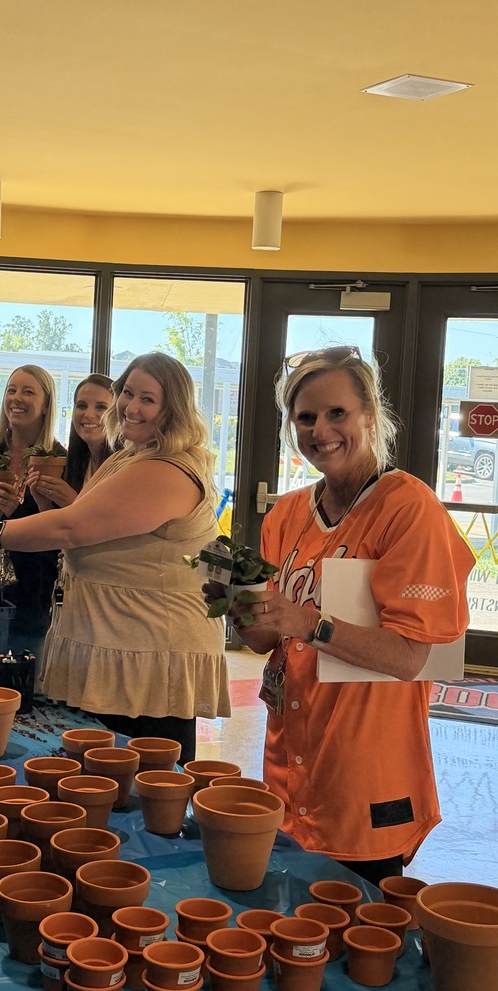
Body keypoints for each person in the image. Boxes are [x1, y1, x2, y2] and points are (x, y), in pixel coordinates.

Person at [208, 345, 473, 885]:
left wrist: (307, 621)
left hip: (366, 776)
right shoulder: (286, 514)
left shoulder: (408, 509)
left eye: (337, 413)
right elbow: (267, 642)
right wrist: (239, 608)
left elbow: (410, 656)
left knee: (358, 937)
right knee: (289, 925)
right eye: (305, 417)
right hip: (290, 763)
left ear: (370, 417)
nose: (320, 430)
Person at [0, 352, 230, 763]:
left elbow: (70, 529)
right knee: (97, 781)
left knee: (142, 785)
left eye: (148, 399)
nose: (131, 407)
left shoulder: (166, 469)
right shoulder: (128, 456)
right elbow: (78, 529)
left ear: (174, 408)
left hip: (148, 653)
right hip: (114, 639)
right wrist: (44, 504)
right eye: (128, 393)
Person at [0, 365, 64, 655]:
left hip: (31, 603)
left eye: (28, 392)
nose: (16, 398)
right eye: (11, 390)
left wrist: (16, 516)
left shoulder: (58, 463)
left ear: (46, 405)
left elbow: (57, 542)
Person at [28, 373, 115, 509]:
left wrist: (73, 503)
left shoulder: (126, 467)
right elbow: (62, 527)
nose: (89, 414)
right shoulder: (73, 464)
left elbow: (115, 527)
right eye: (81, 406)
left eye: (101, 407)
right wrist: (44, 503)